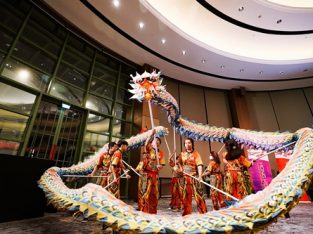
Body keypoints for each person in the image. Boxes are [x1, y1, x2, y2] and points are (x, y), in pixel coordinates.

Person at [137, 128, 165, 214]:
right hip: (146, 173)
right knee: (145, 191)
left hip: (155, 174)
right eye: (155, 141)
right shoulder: (149, 149)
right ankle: (143, 210)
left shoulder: (161, 153)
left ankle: (152, 211)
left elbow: (162, 164)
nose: (156, 142)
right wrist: (151, 134)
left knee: (154, 193)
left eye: (158, 141)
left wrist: (160, 166)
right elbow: (146, 144)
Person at [177, 138, 207, 216]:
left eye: (189, 143)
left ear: (192, 144)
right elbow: (178, 164)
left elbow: (199, 165)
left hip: (194, 177)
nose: (187, 144)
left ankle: (203, 212)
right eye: (186, 143)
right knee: (186, 196)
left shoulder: (196, 154)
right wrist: (174, 164)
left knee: (199, 195)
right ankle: (187, 213)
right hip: (184, 178)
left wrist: (200, 176)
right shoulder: (182, 154)